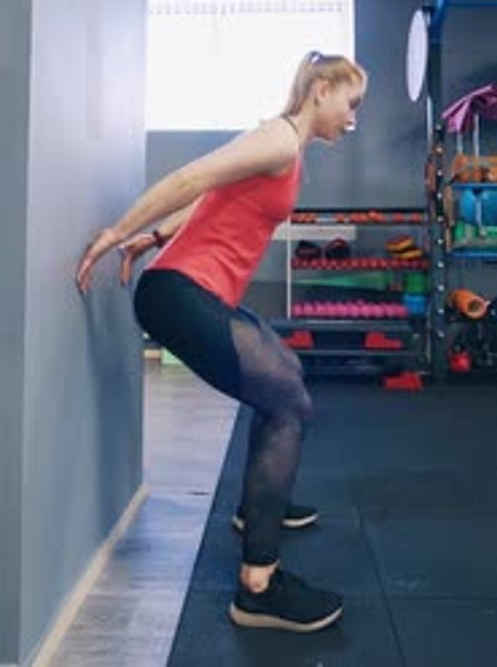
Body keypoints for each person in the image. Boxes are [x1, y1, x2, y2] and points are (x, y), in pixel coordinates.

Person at [76, 50, 367, 633]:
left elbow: (217, 200)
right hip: (180, 292)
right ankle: (257, 585)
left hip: (191, 288)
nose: (354, 118)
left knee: (284, 374)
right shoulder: (280, 139)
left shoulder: (288, 149)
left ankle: (258, 508)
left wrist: (157, 234)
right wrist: (121, 231)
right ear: (321, 88)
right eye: (351, 102)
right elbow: (192, 177)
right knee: (288, 402)